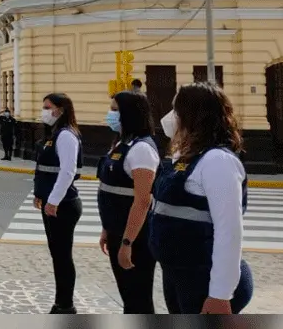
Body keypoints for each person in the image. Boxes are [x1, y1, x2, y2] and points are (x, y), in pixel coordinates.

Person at [150, 82, 253, 315]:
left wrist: (220, 294)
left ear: (193, 116)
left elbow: (229, 231)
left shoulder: (217, 161)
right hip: (179, 275)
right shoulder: (185, 158)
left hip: (204, 280)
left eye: (176, 110)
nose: (170, 117)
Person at [96, 91, 159, 314]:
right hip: (117, 230)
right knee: (129, 297)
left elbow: (142, 201)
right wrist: (107, 229)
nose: (110, 114)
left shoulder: (141, 149)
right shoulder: (121, 144)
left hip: (136, 237)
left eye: (115, 110)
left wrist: (127, 243)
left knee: (138, 300)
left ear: (129, 114)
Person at [34, 93, 84, 314]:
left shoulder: (66, 136)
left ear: (61, 110)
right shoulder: (53, 135)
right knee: (57, 255)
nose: (44, 111)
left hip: (64, 204)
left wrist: (53, 201)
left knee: (63, 256)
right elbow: (45, 169)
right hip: (51, 201)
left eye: (48, 107)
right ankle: (60, 301)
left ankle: (65, 304)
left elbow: (67, 172)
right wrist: (40, 194)